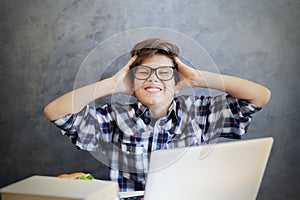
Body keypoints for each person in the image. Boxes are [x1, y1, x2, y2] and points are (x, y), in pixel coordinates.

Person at [44, 38, 271, 197]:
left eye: (164, 73)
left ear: (176, 79)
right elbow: (56, 112)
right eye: (144, 73)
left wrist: (199, 79)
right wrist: (111, 85)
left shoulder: (201, 112)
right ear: (131, 81)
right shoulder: (115, 117)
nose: (154, 79)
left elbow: (259, 96)